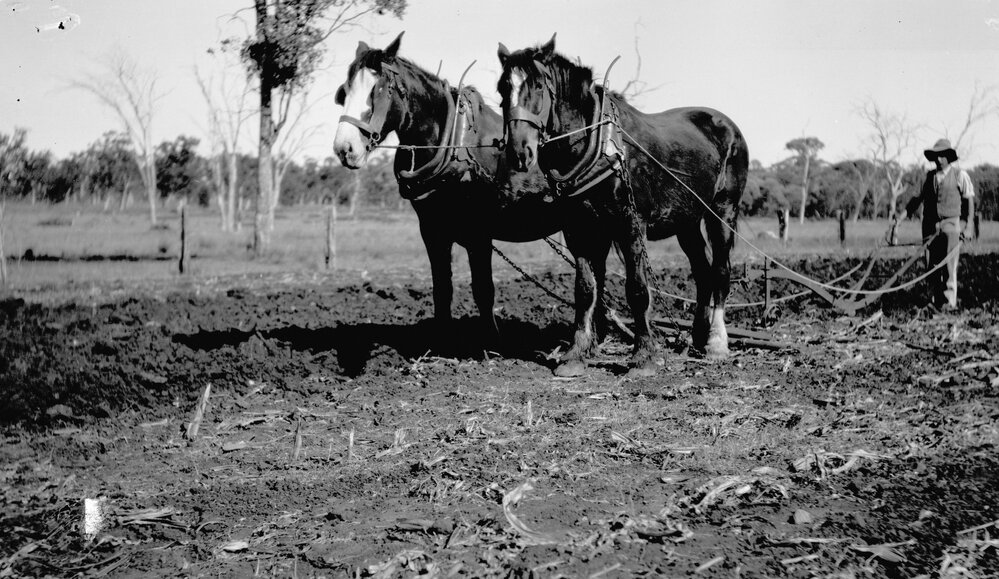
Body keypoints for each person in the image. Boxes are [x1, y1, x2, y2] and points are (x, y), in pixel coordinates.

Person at [895, 138, 975, 310]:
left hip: (951, 225)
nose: (939, 159)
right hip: (930, 226)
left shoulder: (960, 175)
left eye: (942, 156)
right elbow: (916, 201)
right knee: (932, 265)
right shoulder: (929, 177)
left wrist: (968, 226)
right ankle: (936, 300)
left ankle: (948, 303)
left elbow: (969, 201)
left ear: (948, 157)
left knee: (949, 265)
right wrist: (899, 220)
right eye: (936, 156)